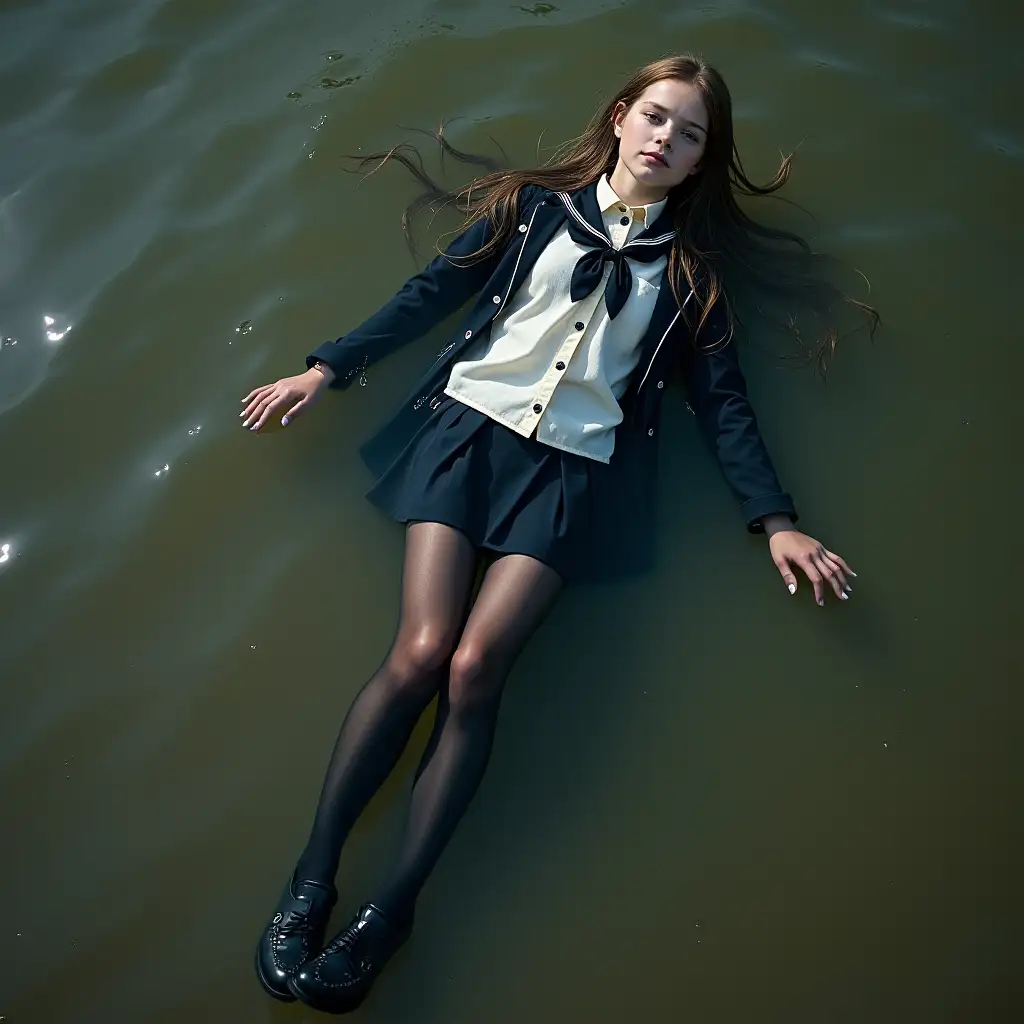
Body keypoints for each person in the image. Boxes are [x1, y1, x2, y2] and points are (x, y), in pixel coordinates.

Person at [246, 53, 870, 1014]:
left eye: (691, 132)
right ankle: (312, 881)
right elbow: (430, 295)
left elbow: (725, 405)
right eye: (656, 116)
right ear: (621, 118)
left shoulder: (693, 280)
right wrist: (327, 369)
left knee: (474, 667)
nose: (666, 138)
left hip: (574, 472)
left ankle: (392, 911)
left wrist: (776, 521)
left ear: (703, 160)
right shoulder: (528, 209)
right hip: (466, 433)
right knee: (418, 652)